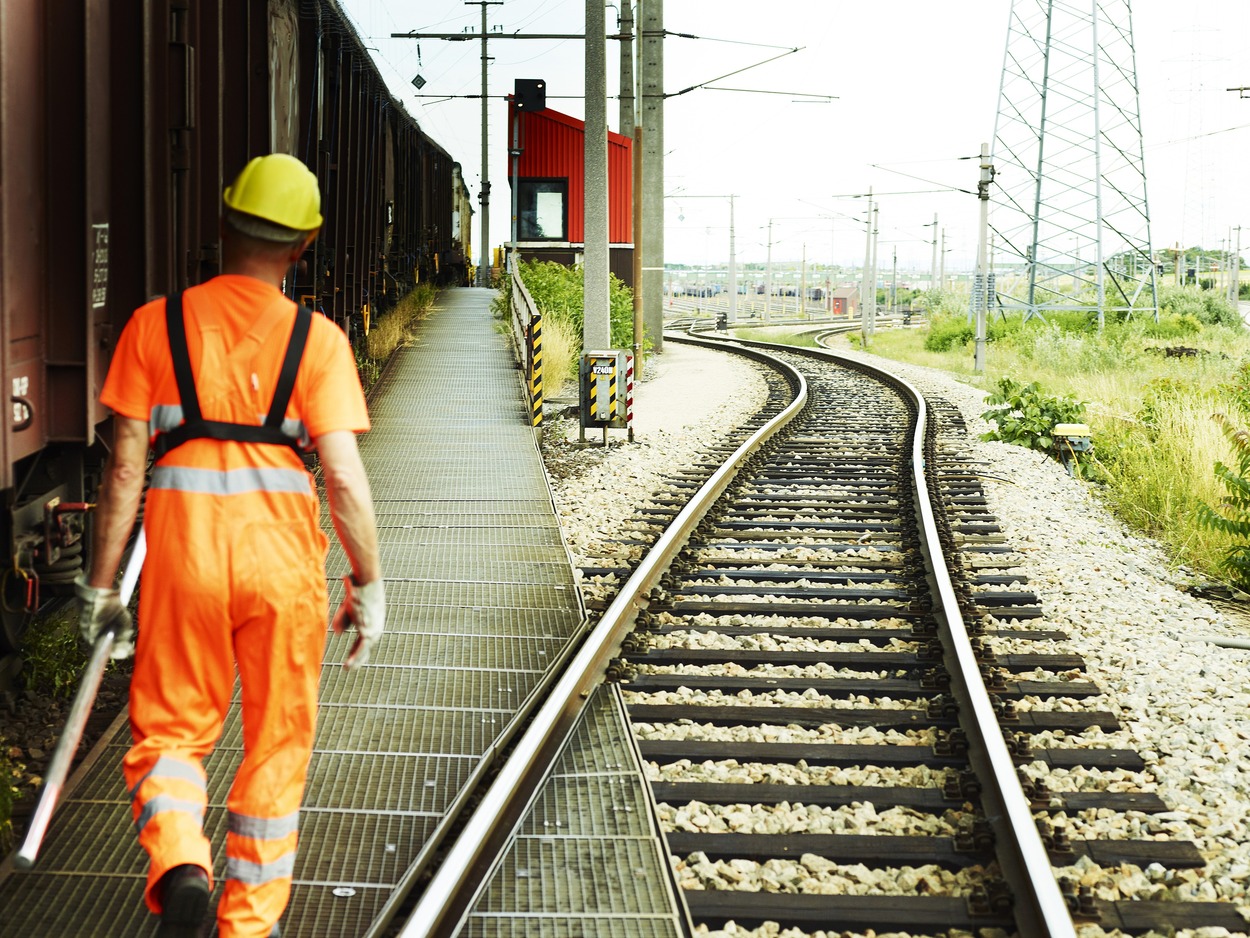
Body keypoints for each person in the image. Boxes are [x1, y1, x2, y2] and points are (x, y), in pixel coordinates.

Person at [74, 153, 385, 938]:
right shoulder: (318, 341)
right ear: (305, 242)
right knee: (278, 740)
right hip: (283, 563)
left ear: (222, 225)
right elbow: (344, 479)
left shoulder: (154, 326)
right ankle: (247, 924)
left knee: (172, 731)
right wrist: (367, 583)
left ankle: (182, 862)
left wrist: (102, 588)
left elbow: (122, 471)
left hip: (184, 558)